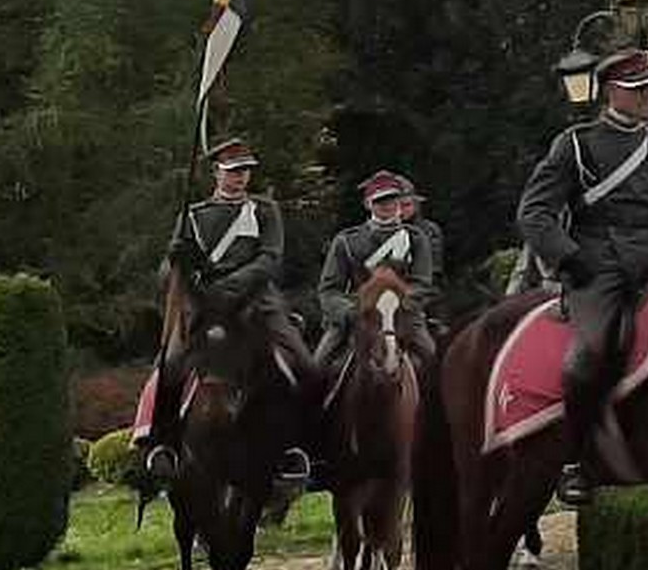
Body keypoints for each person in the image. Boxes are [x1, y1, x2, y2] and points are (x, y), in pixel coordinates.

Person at [514, 44, 648, 506]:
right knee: (588, 356)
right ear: (613, 92)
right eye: (641, 89)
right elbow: (534, 214)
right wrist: (570, 259)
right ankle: (577, 461)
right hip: (598, 265)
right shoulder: (575, 144)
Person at [140, 137, 318, 485]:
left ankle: (296, 448)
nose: (239, 178)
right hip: (202, 307)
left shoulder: (265, 210)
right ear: (216, 173)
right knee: (170, 365)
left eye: (245, 172)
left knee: (302, 364)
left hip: (256, 303)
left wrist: (230, 286)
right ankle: (163, 446)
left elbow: (270, 259)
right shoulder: (192, 215)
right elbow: (166, 274)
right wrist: (175, 259)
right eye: (232, 172)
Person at [309, 170, 450, 390]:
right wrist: (348, 312)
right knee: (316, 368)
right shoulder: (346, 241)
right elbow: (329, 289)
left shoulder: (416, 239)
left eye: (392, 199)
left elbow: (423, 284)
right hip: (357, 314)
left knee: (437, 367)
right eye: (380, 201)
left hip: (404, 314)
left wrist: (397, 306)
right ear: (368, 204)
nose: (387, 205)